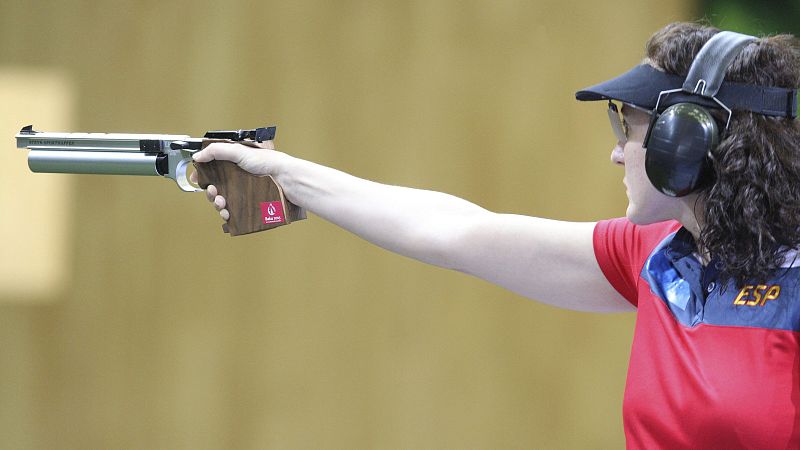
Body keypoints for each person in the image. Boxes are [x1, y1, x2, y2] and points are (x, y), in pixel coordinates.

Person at [191, 22, 800, 448]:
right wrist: (285, 174)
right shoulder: (653, 257)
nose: (617, 154)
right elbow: (451, 229)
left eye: (631, 130)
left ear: (685, 141)